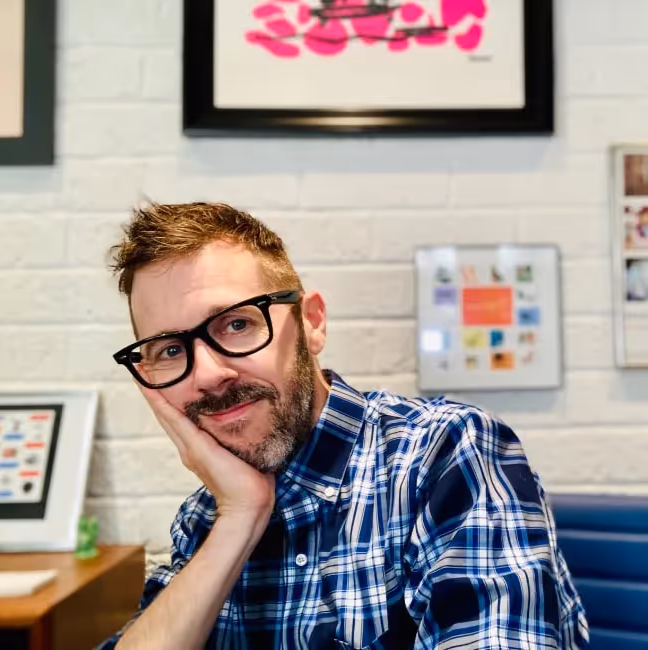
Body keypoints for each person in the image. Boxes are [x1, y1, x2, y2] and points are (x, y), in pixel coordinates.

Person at [99, 202, 588, 649]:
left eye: (236, 324)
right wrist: (240, 517)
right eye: (168, 350)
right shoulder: (207, 515)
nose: (206, 374)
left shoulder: (442, 454)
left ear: (311, 323)